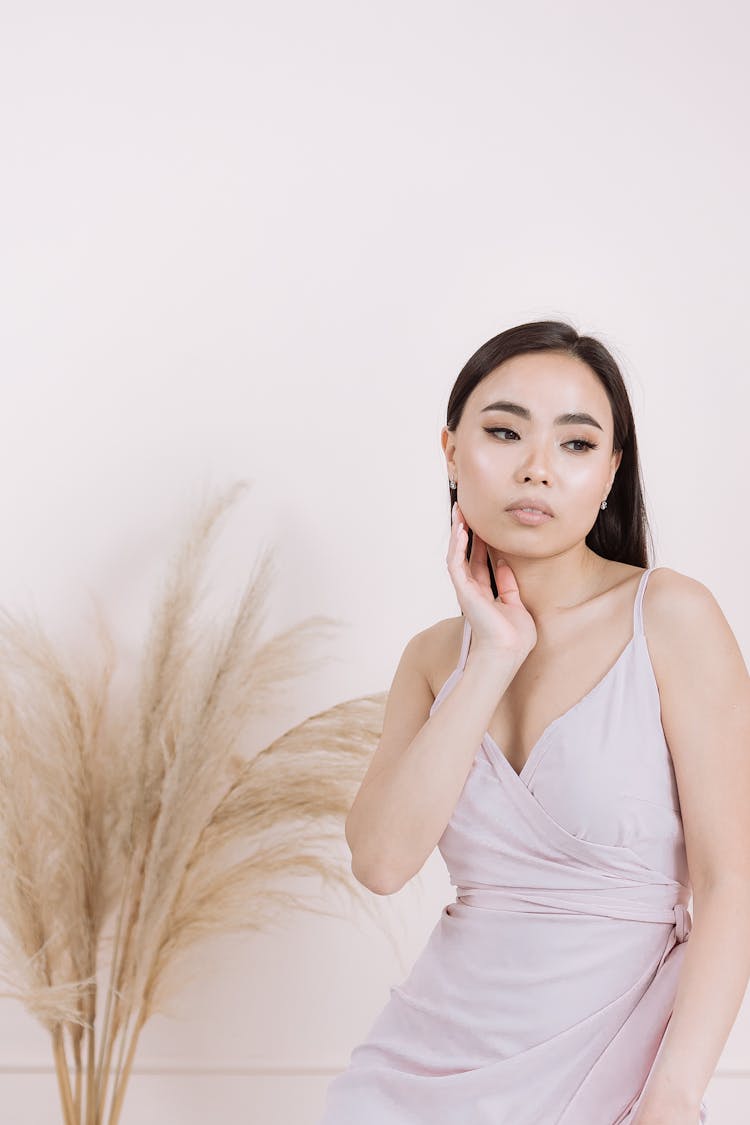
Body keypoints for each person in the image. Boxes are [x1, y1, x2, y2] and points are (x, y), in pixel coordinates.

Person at [317, 320, 750, 1124]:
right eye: (504, 431)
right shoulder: (432, 657)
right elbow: (380, 861)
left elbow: (733, 882)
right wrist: (492, 655)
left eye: (577, 444)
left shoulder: (673, 618)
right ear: (451, 452)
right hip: (414, 1076)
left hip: (616, 1073)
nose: (537, 469)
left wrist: (675, 1095)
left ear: (612, 471)